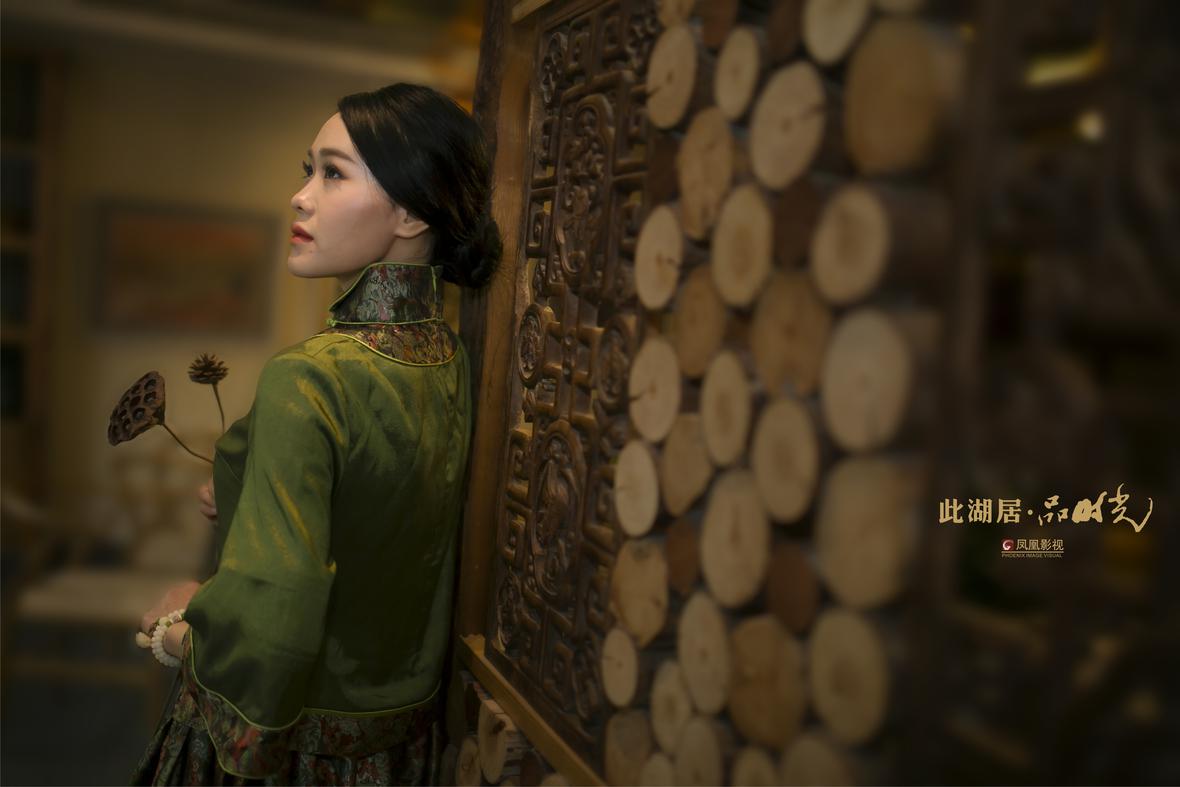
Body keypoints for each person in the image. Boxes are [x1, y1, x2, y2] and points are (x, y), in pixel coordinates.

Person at [130, 82, 501, 785]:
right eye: (309, 171)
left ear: (412, 211)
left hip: (291, 754)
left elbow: (271, 626)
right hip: (400, 752)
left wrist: (175, 630)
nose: (300, 197)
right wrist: (250, 485)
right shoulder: (447, 358)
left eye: (333, 174)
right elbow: (387, 516)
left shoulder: (308, 377)